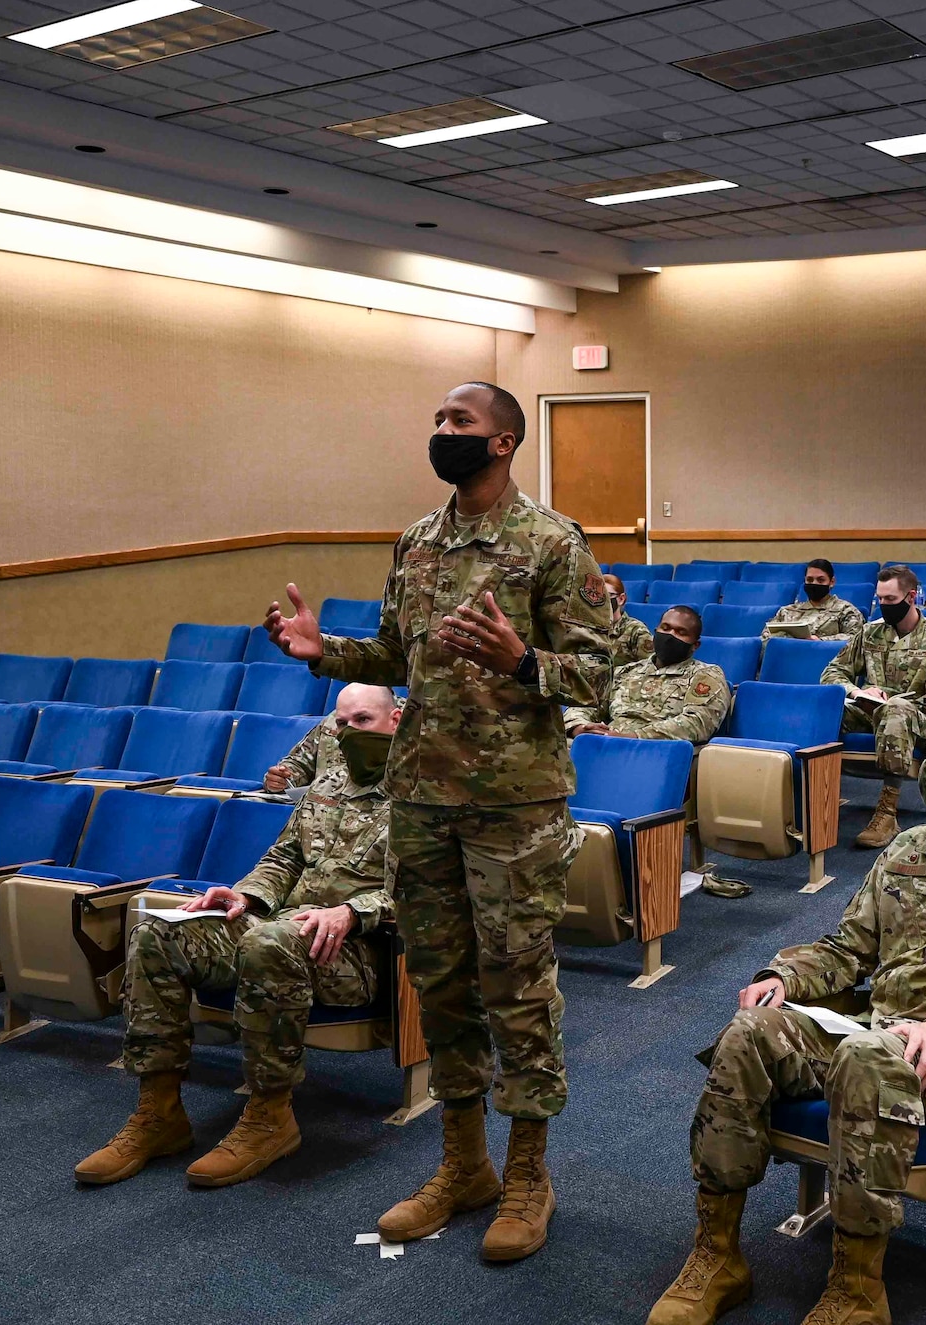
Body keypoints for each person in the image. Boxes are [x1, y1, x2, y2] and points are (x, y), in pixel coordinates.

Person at [266, 380, 613, 1262]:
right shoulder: (418, 540)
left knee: (517, 988)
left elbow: (601, 677)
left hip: (514, 808)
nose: (442, 432)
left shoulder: (552, 542)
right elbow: (393, 648)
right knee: (443, 984)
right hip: (421, 799)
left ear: (502, 442)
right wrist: (325, 652)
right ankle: (464, 1164)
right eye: (438, 421)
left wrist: (525, 658)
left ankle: (528, 1172)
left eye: (460, 422)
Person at [642, 703, 926, 1325]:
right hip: (869, 1034)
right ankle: (717, 1253)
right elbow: (848, 949)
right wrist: (782, 975)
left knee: (868, 1056)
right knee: (750, 1032)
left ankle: (856, 1287)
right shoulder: (908, 848)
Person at [75, 684, 401, 1187]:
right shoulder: (329, 783)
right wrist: (246, 896)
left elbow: (437, 890)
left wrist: (352, 911)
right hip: (285, 924)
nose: (348, 732)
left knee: (268, 943)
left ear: (396, 720)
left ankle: (271, 1115)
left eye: (362, 721)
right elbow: (285, 857)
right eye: (341, 723)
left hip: (360, 951)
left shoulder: (429, 794)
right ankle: (158, 1112)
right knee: (158, 933)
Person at [822, 565, 926, 849]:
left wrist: (895, 701)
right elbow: (832, 673)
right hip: (871, 709)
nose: (883, 606)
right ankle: (815, 798)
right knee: (824, 710)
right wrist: (858, 691)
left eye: (890, 600)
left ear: (911, 597)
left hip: (919, 718)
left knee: (896, 710)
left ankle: (887, 811)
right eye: (880, 599)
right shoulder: (870, 632)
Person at [566, 605, 730, 744]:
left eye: (681, 632)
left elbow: (698, 723)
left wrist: (633, 737)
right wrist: (580, 727)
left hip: (654, 750)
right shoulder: (626, 671)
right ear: (655, 632)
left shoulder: (705, 674)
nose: (670, 635)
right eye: (665, 628)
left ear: (695, 645)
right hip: (606, 742)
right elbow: (586, 702)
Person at [263, 684, 400, 794]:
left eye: (363, 719)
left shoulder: (414, 722)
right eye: (342, 724)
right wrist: (282, 778)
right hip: (325, 810)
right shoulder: (335, 719)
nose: (350, 729)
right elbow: (299, 762)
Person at [763, 559, 866, 639]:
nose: (814, 584)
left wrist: (820, 641)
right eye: (810, 580)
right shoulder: (787, 611)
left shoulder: (846, 610)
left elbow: (856, 639)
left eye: (821, 580)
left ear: (832, 582)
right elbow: (765, 637)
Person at [604, 573, 657, 667]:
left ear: (621, 599)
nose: (602, 601)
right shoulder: (588, 628)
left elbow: (650, 667)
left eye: (607, 596)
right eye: (597, 596)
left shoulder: (636, 630)